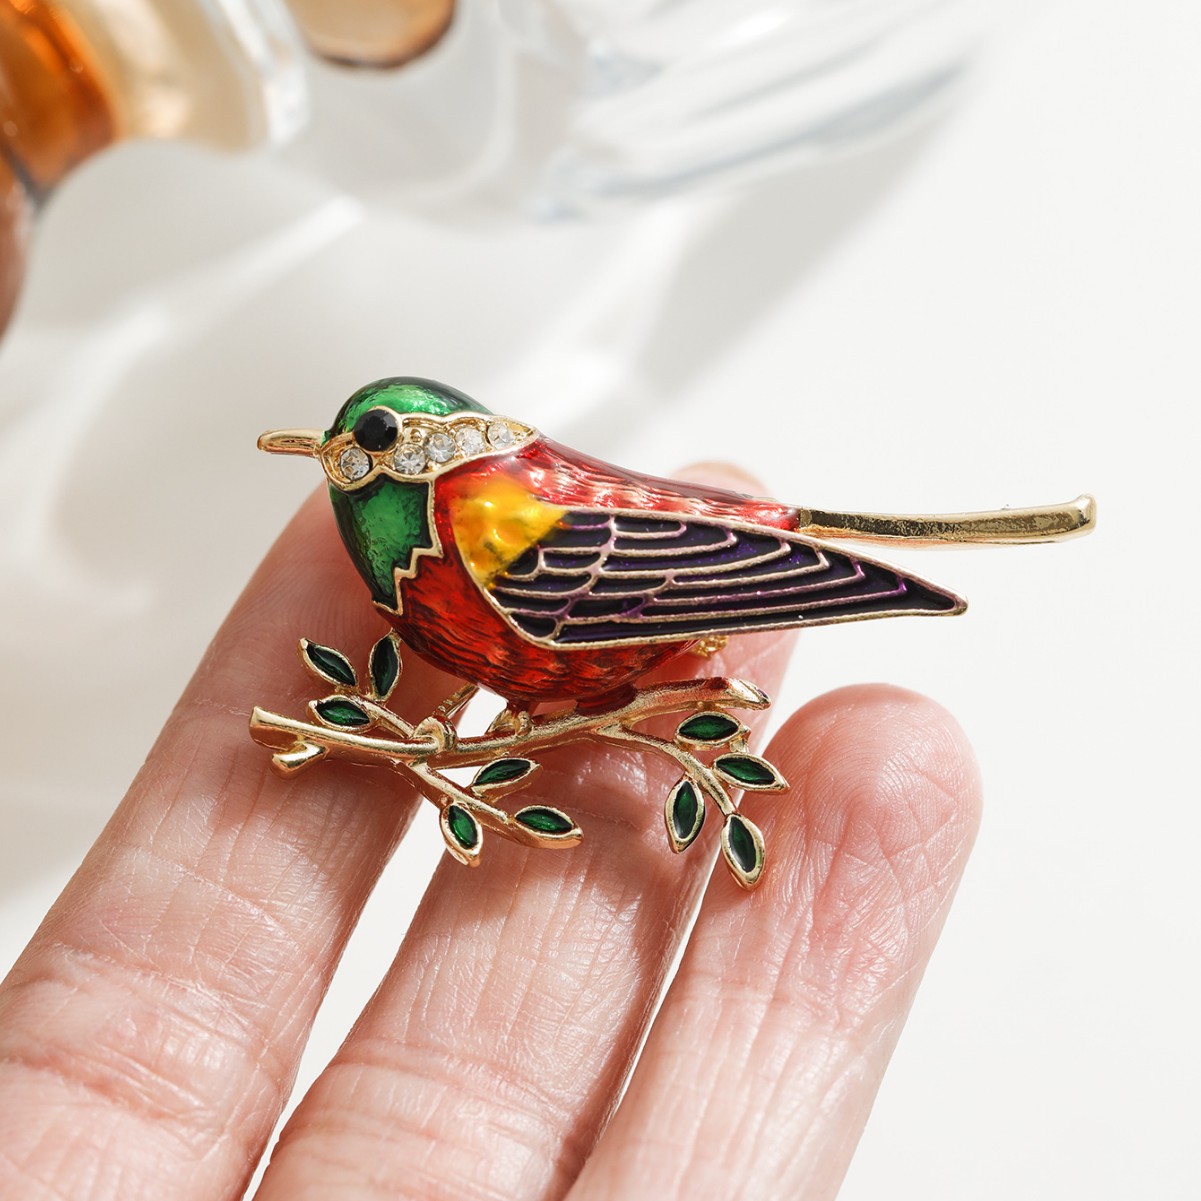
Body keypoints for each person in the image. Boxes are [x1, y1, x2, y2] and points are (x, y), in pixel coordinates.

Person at [0, 467, 981, 1199]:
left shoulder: (482, 526)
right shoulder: (423, 548)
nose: (348, 467)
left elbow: (597, 587)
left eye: (373, 445)